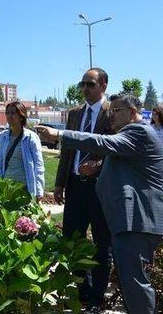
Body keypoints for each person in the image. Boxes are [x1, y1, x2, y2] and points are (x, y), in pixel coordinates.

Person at [37, 94, 163, 314]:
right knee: (129, 282)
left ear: (133, 112)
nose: (111, 116)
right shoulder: (131, 136)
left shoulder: (138, 131)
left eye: (116, 111)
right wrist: (98, 167)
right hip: (129, 221)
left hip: (137, 220)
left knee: (135, 283)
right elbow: (124, 163)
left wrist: (60, 134)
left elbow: (103, 142)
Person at [54, 68, 113, 313]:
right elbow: (67, 149)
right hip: (76, 185)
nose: (85, 88)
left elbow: (116, 150)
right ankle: (82, 292)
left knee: (101, 242)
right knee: (73, 240)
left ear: (103, 85)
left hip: (101, 187)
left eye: (90, 84)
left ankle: (97, 299)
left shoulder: (113, 113)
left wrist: (98, 165)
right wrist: (59, 183)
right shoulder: (75, 113)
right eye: (82, 84)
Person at [0, 102, 45, 198]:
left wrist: (39, 192)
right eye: (7, 113)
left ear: (21, 116)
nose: (9, 116)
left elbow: (38, 166)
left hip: (24, 189)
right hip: (4, 189)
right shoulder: (0, 137)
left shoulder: (30, 138)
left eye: (13, 113)